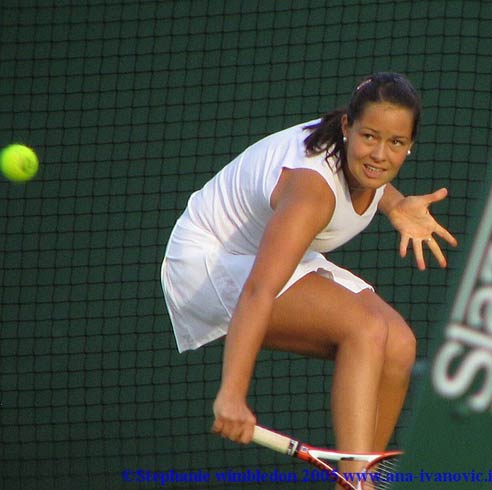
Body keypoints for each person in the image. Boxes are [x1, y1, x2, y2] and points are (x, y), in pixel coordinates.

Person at [160, 72, 457, 473]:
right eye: (370, 137)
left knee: (399, 344)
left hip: (270, 250)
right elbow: (259, 290)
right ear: (348, 127)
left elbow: (374, 180)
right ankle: (355, 480)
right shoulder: (311, 193)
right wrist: (232, 394)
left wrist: (397, 205)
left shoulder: (361, 161)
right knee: (365, 329)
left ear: (410, 147)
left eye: (396, 143)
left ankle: (357, 476)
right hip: (209, 260)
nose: (380, 154)